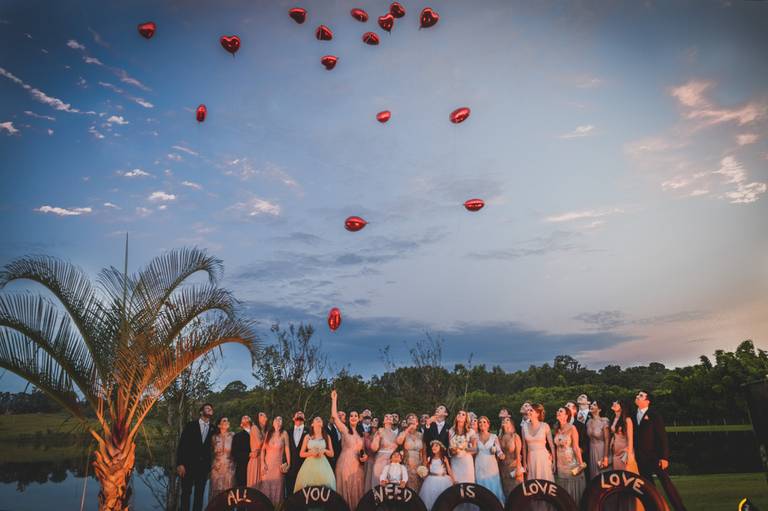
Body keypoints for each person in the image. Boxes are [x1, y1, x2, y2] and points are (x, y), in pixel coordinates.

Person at [634, 390, 687, 511]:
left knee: (666, 484)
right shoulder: (633, 415)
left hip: (655, 456)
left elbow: (662, 438)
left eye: (641, 396)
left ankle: (680, 508)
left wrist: (664, 457)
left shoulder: (654, 415)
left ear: (648, 401)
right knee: (648, 487)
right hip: (641, 458)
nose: (637, 396)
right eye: (637, 395)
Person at [332, 390, 367, 510]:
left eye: (355, 416)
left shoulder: (362, 435)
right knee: (345, 491)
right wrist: (334, 399)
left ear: (359, 419)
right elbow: (335, 417)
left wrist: (365, 457)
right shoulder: (345, 430)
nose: (353, 417)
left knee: (357, 491)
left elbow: (364, 453)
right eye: (351, 416)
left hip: (358, 468)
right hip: (345, 464)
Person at [177, 403, 215, 511]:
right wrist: (180, 464)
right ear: (201, 412)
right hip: (188, 465)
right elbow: (182, 444)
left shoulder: (213, 428)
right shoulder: (191, 425)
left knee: (199, 494)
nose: (210, 409)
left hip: (203, 468)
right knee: (186, 493)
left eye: (211, 409)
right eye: (207, 408)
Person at [606, 400, 637, 511]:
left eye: (616, 403)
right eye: (613, 402)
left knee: (627, 480)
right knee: (619, 482)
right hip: (615, 454)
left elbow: (630, 438)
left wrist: (628, 454)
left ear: (622, 407)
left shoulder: (627, 420)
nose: (613, 404)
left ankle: (631, 507)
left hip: (624, 453)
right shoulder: (614, 419)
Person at [553, 407, 586, 504]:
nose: (558, 412)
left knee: (572, 490)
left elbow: (576, 447)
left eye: (560, 411)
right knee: (563, 490)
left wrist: (580, 464)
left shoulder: (572, 428)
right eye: (558, 411)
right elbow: (555, 447)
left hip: (571, 462)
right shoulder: (556, 428)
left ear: (566, 415)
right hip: (560, 463)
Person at [294, 416, 336, 492]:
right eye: (316, 419)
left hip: (323, 465)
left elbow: (332, 454)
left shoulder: (327, 437)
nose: (319, 420)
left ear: (322, 424)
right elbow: (301, 454)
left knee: (325, 487)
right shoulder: (307, 437)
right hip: (309, 465)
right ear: (312, 424)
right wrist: (311, 453)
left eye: (320, 419)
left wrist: (324, 451)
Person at [258, 415, 290, 506]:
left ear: (282, 423)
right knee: (265, 488)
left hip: (277, 467)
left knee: (278, 490)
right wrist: (262, 463)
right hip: (267, 467)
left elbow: (287, 450)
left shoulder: (284, 433)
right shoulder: (269, 433)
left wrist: (288, 464)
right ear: (273, 422)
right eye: (276, 419)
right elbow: (263, 450)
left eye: (280, 419)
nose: (278, 421)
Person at [449, 410, 477, 511]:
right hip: (455, 462)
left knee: (468, 486)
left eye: (463, 414)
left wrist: (463, 448)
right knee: (457, 486)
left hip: (466, 462)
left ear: (466, 419)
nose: (460, 415)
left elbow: (474, 449)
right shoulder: (451, 431)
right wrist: (453, 450)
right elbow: (449, 448)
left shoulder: (471, 431)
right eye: (458, 413)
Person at [474, 416, 505, 504]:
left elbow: (499, 451)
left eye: (484, 422)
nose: (482, 424)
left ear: (488, 425)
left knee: (493, 486)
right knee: (481, 486)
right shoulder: (475, 437)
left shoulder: (494, 436)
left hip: (491, 465)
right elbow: (472, 449)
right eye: (480, 422)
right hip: (479, 464)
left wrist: (501, 455)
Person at [419, 441, 455, 511]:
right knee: (431, 498)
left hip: (443, 480)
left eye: (436, 446)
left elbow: (449, 470)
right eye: (432, 446)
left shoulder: (444, 458)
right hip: (431, 481)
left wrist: (453, 480)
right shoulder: (429, 459)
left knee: (442, 498)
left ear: (440, 448)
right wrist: (423, 473)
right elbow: (427, 471)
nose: (433, 447)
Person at [523, 404, 555, 482]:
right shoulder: (524, 426)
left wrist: (554, 461)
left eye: (531, 410)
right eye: (528, 410)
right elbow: (524, 446)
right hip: (531, 458)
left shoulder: (545, 426)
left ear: (537, 414)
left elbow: (552, 446)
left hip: (543, 457)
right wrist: (524, 462)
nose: (528, 412)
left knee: (545, 480)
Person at [209, 417, 236, 504]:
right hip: (216, 468)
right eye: (224, 421)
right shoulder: (214, 437)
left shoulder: (233, 435)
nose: (227, 422)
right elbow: (210, 452)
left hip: (229, 468)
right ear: (219, 425)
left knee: (229, 494)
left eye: (228, 420)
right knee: (216, 494)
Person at [369, 413, 399, 490]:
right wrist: (378, 436)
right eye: (386, 416)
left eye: (391, 417)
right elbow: (374, 448)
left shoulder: (395, 435)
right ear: (383, 421)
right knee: (379, 484)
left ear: (393, 421)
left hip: (392, 462)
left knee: (390, 485)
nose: (389, 417)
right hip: (381, 461)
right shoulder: (380, 431)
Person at [396, 413, 425, 492]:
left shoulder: (421, 435)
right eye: (409, 418)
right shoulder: (404, 433)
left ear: (417, 422)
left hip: (419, 465)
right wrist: (408, 429)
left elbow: (423, 452)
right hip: (408, 464)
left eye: (413, 418)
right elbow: (399, 441)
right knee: (409, 489)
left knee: (419, 488)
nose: (411, 419)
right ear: (407, 422)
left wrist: (424, 465)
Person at [498, 416, 524, 499]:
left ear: (511, 424)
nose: (504, 421)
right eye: (503, 420)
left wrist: (519, 468)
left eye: (507, 420)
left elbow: (518, 454)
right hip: (503, 468)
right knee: (506, 491)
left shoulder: (515, 436)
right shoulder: (500, 437)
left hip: (514, 467)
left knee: (517, 492)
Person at [285, 410, 308, 498]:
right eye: (297, 415)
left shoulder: (309, 431)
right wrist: (285, 462)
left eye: (301, 415)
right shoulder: (288, 432)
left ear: (304, 419)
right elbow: (284, 449)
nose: (299, 416)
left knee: (303, 493)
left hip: (304, 466)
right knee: (290, 493)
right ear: (293, 418)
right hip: (290, 468)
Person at [566, 400, 590, 482]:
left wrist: (580, 450)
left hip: (577, 456)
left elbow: (585, 442)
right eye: (566, 406)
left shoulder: (580, 425)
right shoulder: (559, 425)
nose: (566, 407)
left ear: (575, 410)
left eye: (568, 406)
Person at [587, 400, 610, 479]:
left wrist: (606, 457)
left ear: (599, 409)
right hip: (591, 449)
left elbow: (607, 440)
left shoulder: (604, 421)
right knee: (593, 475)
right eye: (592, 404)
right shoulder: (589, 422)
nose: (591, 406)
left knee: (602, 474)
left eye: (594, 405)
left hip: (601, 449)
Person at [247, 412, 267, 487]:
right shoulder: (254, 427)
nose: (264, 417)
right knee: (255, 484)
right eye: (261, 415)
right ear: (257, 418)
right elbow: (259, 443)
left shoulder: (264, 430)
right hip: (256, 459)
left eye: (265, 415)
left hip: (262, 458)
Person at [232, 416, 252, 487]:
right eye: (243, 418)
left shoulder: (257, 433)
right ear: (241, 424)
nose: (246, 417)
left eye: (247, 417)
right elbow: (234, 454)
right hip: (243, 468)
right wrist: (248, 455)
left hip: (256, 466)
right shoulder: (237, 436)